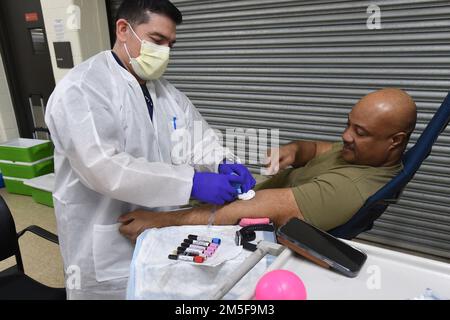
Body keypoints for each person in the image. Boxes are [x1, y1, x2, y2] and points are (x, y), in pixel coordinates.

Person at [45, 0, 255, 300]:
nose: (165, 52)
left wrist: (222, 162)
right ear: (123, 30)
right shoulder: (82, 89)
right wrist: (191, 182)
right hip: (105, 244)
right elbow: (103, 167)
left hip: (161, 233)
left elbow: (199, 139)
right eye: (157, 40)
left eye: (171, 44)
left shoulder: (166, 93)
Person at [119, 88, 417, 242]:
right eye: (348, 125)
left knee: (137, 222)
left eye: (359, 132)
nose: (346, 136)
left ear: (395, 141)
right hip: (240, 196)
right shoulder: (361, 153)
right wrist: (293, 151)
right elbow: (316, 149)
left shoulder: (350, 188)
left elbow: (254, 209)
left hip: (236, 221)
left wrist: (162, 222)